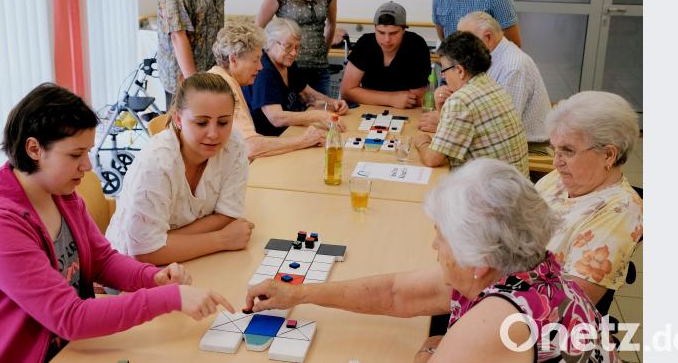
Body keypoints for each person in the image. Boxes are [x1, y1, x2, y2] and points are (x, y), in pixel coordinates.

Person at [0, 83, 234, 363]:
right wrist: (170, 298)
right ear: (34, 149)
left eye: (88, 152)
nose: (88, 165)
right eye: (75, 154)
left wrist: (152, 278)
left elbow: (101, 260)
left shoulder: (60, 192)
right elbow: (69, 317)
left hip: (71, 348)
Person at [246, 159, 615, 362]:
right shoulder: (517, 268)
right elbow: (395, 293)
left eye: (442, 235)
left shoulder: (498, 319)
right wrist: (299, 294)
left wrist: (427, 351)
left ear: (478, 259)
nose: (434, 244)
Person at [106, 73, 254, 265]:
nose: (214, 134)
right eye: (201, 123)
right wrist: (222, 239)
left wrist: (168, 240)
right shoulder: (157, 163)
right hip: (127, 270)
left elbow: (227, 215)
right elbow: (145, 253)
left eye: (223, 122)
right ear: (177, 119)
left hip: (187, 261)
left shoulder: (233, 145)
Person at [537, 91, 642, 305]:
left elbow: (571, 303)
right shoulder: (561, 178)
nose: (556, 162)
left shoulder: (621, 211)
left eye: (568, 151)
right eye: (554, 149)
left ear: (608, 155)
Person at [420, 11, 551, 154]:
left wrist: (446, 123)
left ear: (488, 37)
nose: (460, 48)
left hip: (530, 149)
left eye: (467, 41)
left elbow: (501, 128)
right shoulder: (487, 59)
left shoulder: (513, 66)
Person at [412, 32, 529, 175]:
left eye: (443, 70)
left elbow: (432, 159)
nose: (443, 76)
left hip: (489, 187)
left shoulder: (460, 101)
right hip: (512, 183)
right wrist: (443, 112)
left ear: (460, 71)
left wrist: (422, 142)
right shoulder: (492, 85)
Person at [208, 20, 325, 160]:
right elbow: (251, 147)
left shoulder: (221, 78)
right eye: (255, 60)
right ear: (233, 60)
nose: (260, 67)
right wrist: (304, 140)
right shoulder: (223, 90)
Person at [244, 18, 348, 137]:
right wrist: (318, 116)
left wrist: (333, 103)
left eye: (297, 47)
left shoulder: (287, 63)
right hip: (273, 137)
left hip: (291, 129)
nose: (294, 53)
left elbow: (307, 93)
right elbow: (276, 118)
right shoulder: (264, 71)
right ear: (270, 43)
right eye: (288, 46)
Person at [340, 1, 431, 108]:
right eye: (381, 32)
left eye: (393, 33)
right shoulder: (365, 43)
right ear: (374, 29)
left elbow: (416, 98)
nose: (387, 40)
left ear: (403, 30)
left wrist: (364, 95)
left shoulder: (416, 45)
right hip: (369, 110)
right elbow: (346, 91)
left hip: (406, 112)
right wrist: (391, 99)